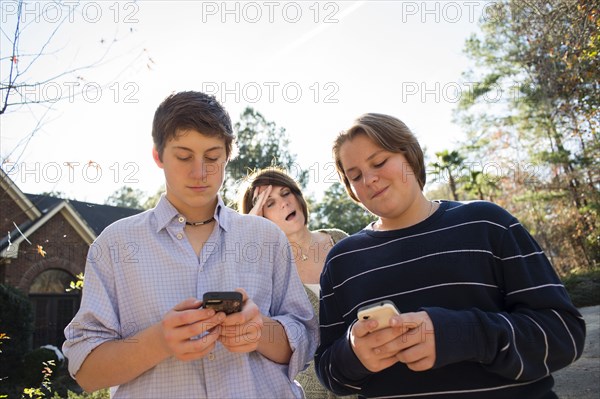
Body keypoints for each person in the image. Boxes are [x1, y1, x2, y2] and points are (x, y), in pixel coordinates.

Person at [62, 91, 318, 398]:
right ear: (158, 156)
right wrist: (160, 342)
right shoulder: (115, 244)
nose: (199, 172)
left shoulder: (266, 237)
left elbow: (303, 341)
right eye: (184, 157)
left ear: (227, 156)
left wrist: (259, 331)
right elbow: (86, 370)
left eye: (212, 157)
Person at [314, 113, 586, 398]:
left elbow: (564, 335)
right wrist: (354, 355)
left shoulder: (487, 224)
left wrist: (463, 335)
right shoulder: (341, 261)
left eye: (379, 162)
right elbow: (329, 372)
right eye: (355, 175)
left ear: (410, 155)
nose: (369, 179)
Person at [239, 167, 349, 399]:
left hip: (367, 381)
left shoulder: (340, 240)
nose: (284, 203)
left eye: (286, 193)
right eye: (269, 203)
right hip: (313, 392)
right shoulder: (267, 269)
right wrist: (252, 230)